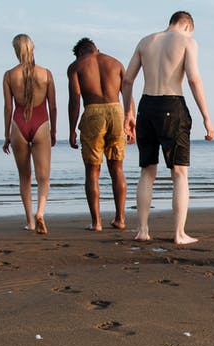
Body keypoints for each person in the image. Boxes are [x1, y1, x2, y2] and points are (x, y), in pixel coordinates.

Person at [121, 11, 214, 245]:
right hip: (172, 104)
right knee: (179, 173)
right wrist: (207, 117)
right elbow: (194, 79)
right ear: (186, 27)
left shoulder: (146, 41)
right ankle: (179, 233)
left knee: (147, 171)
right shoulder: (187, 41)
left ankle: (142, 230)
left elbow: (127, 80)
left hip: (146, 106)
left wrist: (128, 112)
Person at [67, 38, 127, 231]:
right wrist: (130, 121)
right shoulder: (116, 63)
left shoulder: (76, 66)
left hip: (93, 112)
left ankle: (97, 222)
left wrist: (72, 129)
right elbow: (127, 93)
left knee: (92, 171)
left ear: (80, 53)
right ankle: (120, 219)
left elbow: (75, 99)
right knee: (117, 168)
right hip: (117, 111)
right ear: (96, 49)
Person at [2, 34, 57, 235]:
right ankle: (40, 213)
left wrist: (6, 134)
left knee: (24, 177)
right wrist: (53, 131)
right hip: (41, 122)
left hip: (18, 124)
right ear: (32, 48)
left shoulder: (9, 75)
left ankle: (30, 221)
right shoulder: (46, 74)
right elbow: (53, 106)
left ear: (16, 50)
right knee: (44, 178)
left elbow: (8, 108)